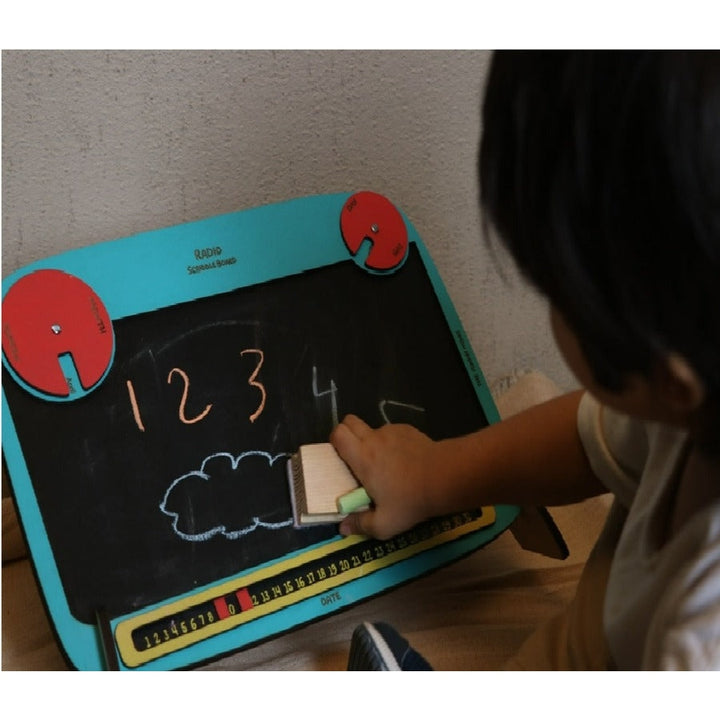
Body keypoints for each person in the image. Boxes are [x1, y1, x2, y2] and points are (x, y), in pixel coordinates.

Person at [336, 51, 720, 670]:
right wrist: (429, 476)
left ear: (669, 379)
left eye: (554, 289)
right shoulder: (691, 393)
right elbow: (590, 435)